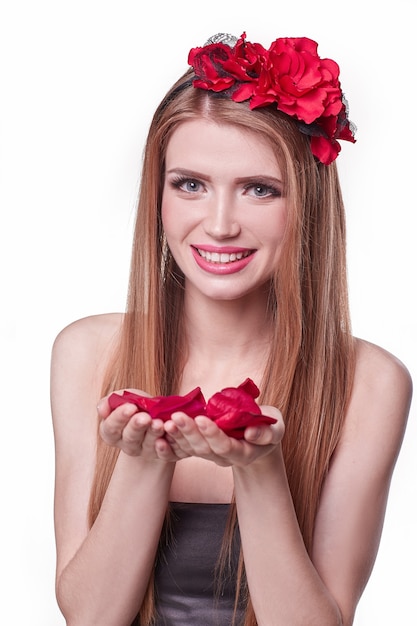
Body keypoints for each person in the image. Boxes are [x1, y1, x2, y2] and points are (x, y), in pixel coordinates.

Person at [50, 32, 412, 626]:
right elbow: (91, 617)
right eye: (190, 184)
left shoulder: (369, 382)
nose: (218, 224)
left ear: (306, 205)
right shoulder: (87, 353)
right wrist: (146, 458)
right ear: (158, 195)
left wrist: (260, 471)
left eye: (259, 190)